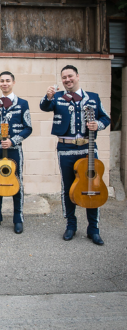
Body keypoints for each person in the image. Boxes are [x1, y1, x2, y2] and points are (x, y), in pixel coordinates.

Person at [40, 65, 110, 245]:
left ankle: (93, 229)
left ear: (77, 76)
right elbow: (45, 107)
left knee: (92, 186)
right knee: (68, 187)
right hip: (66, 149)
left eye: (70, 76)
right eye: (64, 78)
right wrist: (47, 97)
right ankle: (71, 225)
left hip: (88, 149)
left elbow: (106, 118)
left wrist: (98, 126)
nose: (67, 80)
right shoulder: (56, 97)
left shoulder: (92, 98)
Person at [0, 71, 32, 234]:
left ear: (13, 82)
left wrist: (14, 140)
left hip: (14, 150)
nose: (4, 83)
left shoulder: (22, 103)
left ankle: (18, 218)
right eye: (2, 81)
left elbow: (28, 128)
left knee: (16, 183)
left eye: (7, 81)